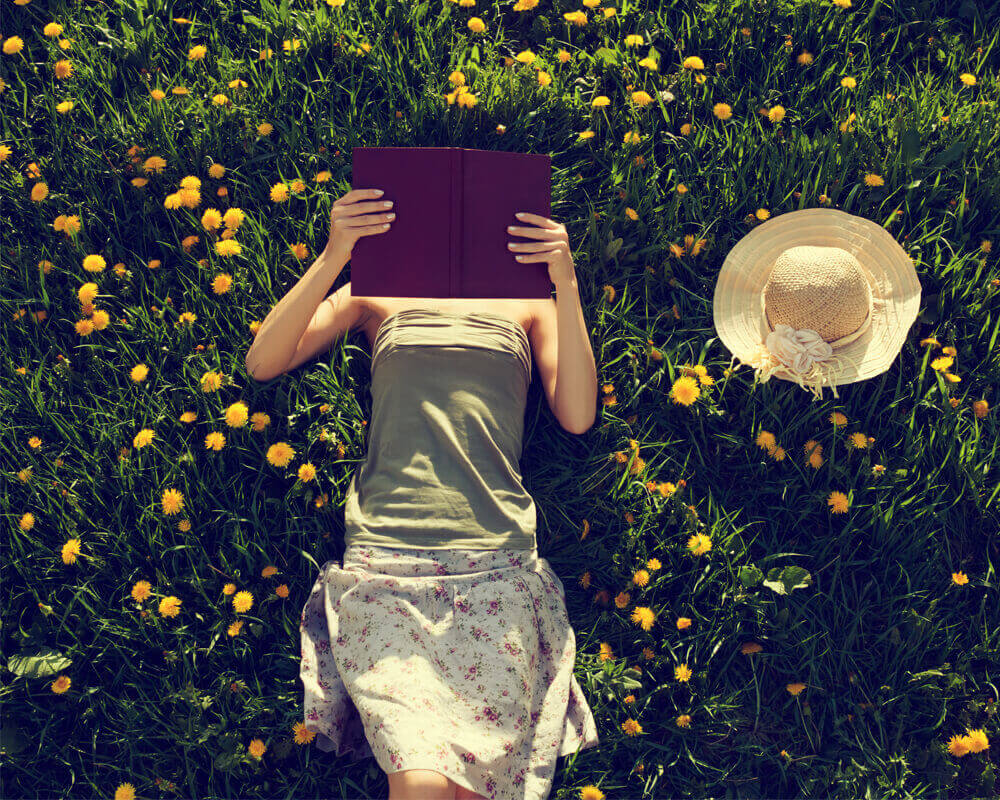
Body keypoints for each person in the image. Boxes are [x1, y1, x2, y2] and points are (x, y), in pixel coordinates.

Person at [245, 188, 601, 800]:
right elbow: (262, 361)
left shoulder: (531, 303)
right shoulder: (378, 289)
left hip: (494, 565)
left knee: (478, 789)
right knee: (418, 782)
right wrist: (335, 256)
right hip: (387, 565)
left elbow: (576, 415)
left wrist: (564, 285)